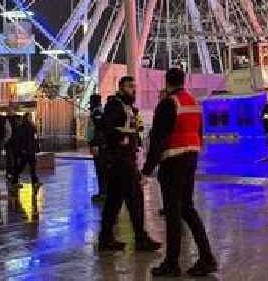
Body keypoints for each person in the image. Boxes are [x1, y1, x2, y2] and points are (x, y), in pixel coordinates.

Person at [143, 68, 217, 278]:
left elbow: (159, 139)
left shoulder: (169, 104)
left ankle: (172, 262)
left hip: (172, 160)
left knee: (173, 213)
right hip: (191, 157)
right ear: (183, 81)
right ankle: (207, 257)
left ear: (167, 82)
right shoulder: (193, 102)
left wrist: (147, 171)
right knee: (188, 208)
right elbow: (199, 132)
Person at [95, 76, 160, 253]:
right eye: (130, 86)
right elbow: (107, 127)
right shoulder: (115, 105)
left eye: (134, 86)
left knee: (114, 201)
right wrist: (121, 137)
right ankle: (140, 238)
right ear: (121, 87)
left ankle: (105, 239)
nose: (134, 90)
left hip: (124, 159)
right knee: (135, 198)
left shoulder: (128, 107)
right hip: (121, 160)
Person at [11, 113, 41, 190]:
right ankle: (14, 180)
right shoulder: (22, 127)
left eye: (31, 117)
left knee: (32, 167)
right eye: (29, 117)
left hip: (31, 150)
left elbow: (35, 138)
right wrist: (22, 149)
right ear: (26, 118)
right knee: (22, 167)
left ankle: (35, 182)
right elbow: (20, 139)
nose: (31, 118)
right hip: (26, 151)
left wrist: (36, 148)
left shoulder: (32, 126)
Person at [86, 94, 107, 202]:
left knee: (100, 169)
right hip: (98, 145)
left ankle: (103, 193)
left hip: (98, 146)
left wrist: (95, 144)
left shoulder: (97, 112)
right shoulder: (96, 111)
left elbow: (99, 130)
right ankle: (103, 192)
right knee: (100, 169)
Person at [4, 104, 22, 186]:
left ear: (14, 110)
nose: (9, 111)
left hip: (17, 143)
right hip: (8, 142)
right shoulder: (5, 119)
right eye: (8, 110)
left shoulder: (18, 118)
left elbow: (21, 129)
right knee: (9, 159)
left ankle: (15, 173)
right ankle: (9, 173)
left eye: (10, 109)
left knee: (16, 159)